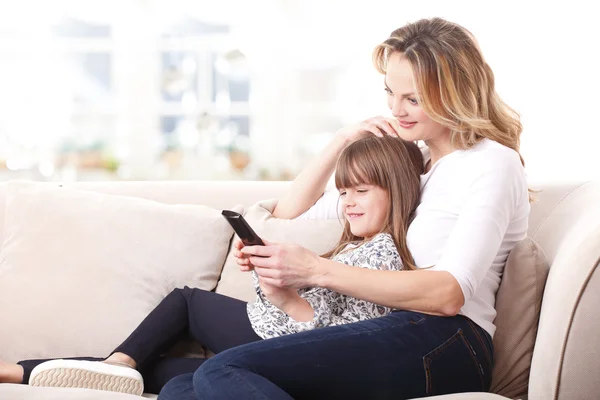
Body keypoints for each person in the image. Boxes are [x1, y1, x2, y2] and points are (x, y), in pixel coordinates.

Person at [156, 17, 530, 400]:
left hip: (450, 341)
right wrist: (341, 140)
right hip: (394, 329)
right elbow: (287, 216)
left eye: (413, 99)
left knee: (222, 369)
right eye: (390, 93)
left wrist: (316, 270)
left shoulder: (492, 163)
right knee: (182, 386)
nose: (396, 110)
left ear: (457, 94)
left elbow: (449, 294)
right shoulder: (407, 164)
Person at [0, 135, 423, 396]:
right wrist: (270, 275)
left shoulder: (381, 254)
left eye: (361, 192)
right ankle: (23, 373)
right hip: (276, 335)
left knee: (188, 302)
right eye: (344, 192)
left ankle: (110, 364)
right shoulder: (354, 247)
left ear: (398, 191)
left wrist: (280, 290)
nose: (347, 203)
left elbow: (325, 333)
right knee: (160, 372)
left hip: (280, 342)